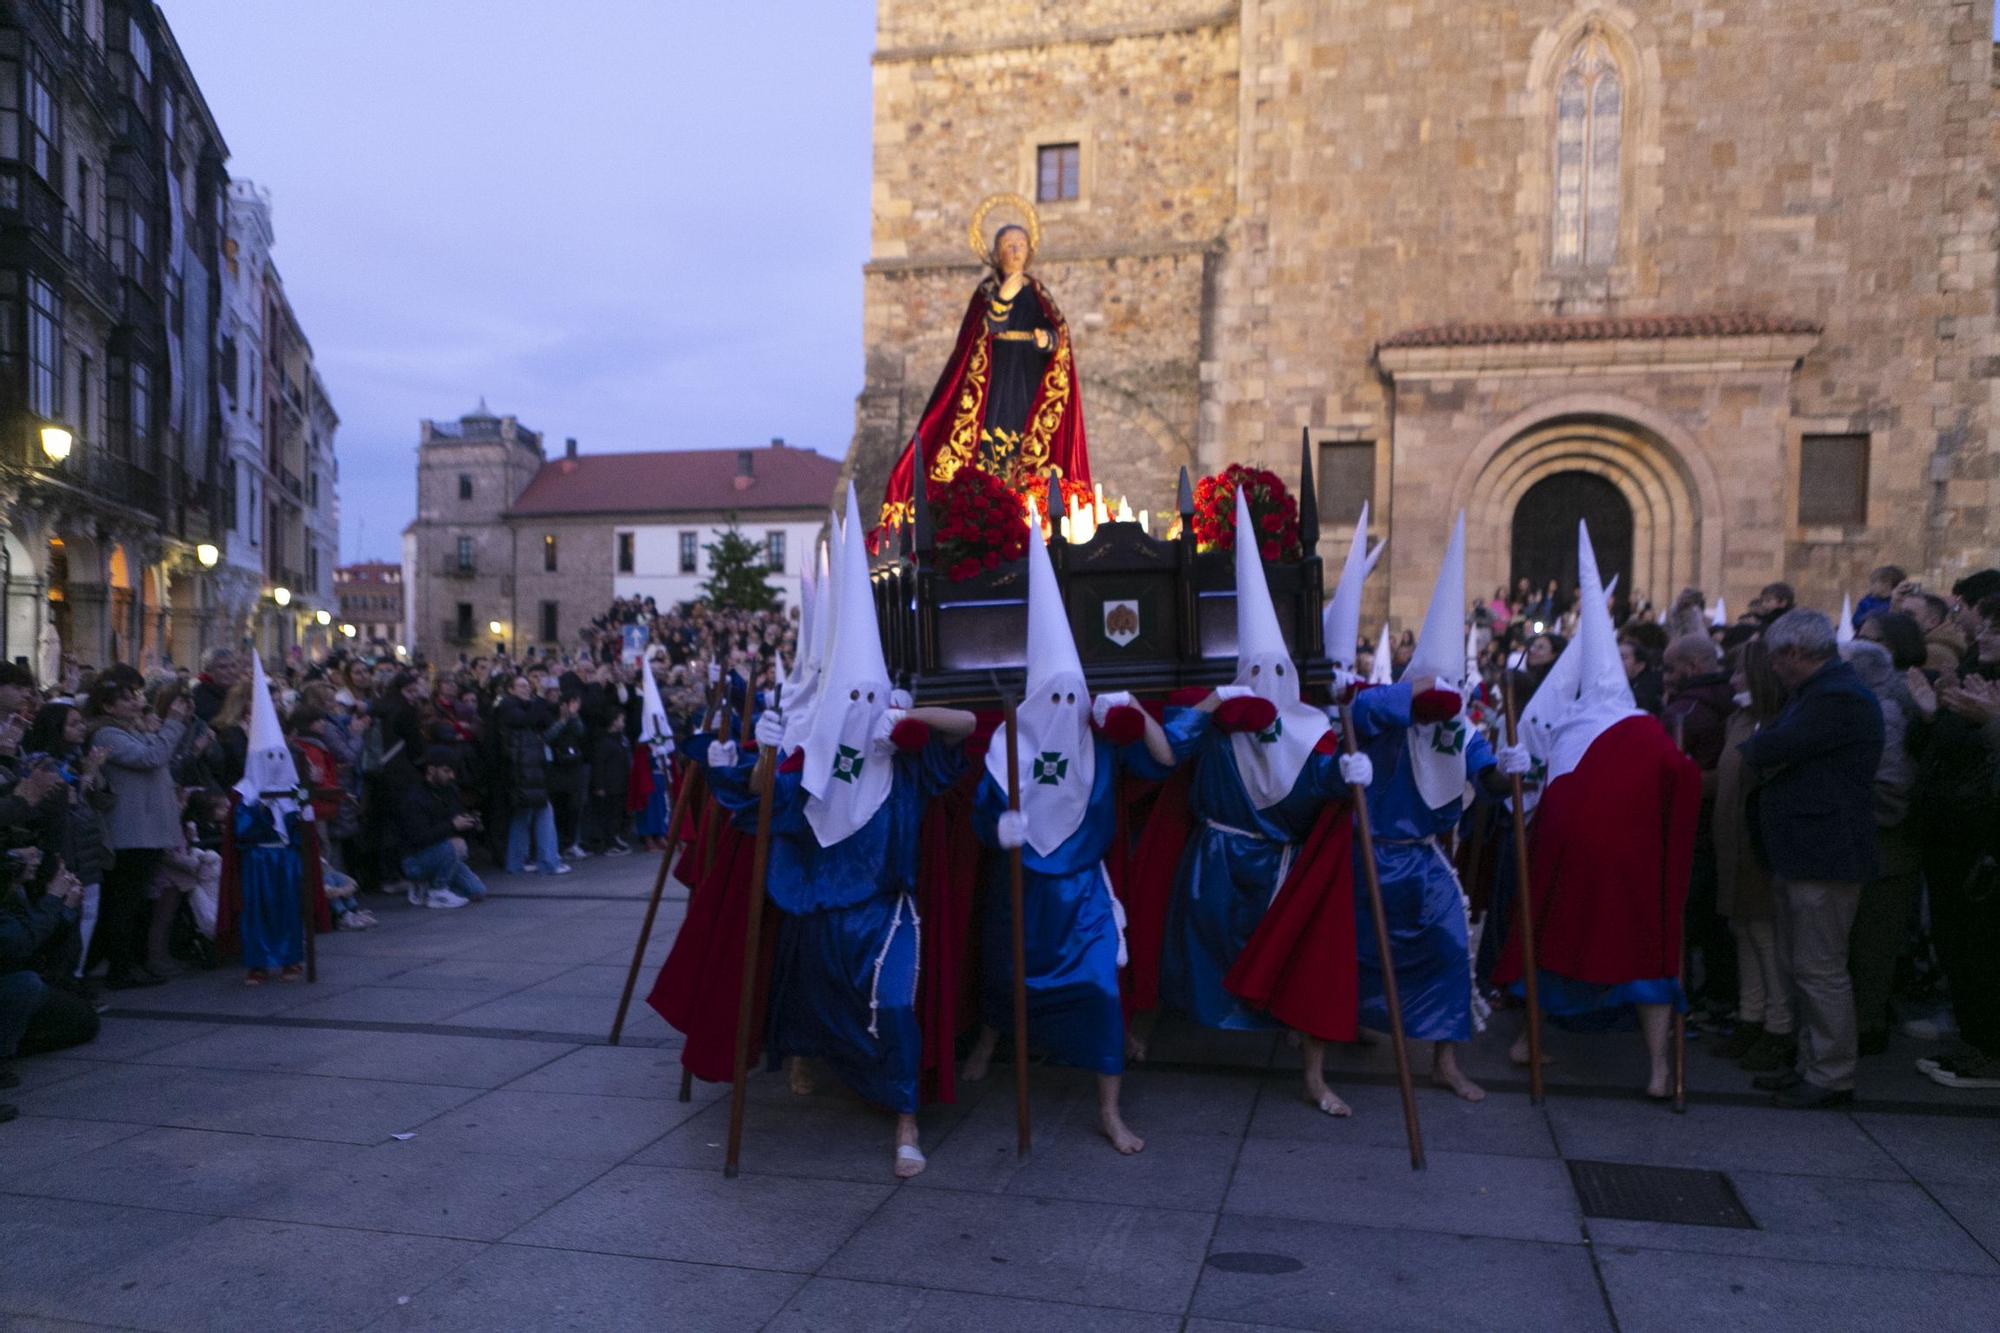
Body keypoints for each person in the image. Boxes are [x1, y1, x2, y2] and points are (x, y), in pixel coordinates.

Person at [707, 486, 975, 1178]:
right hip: (821, 916)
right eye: (848, 701)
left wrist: (912, 718)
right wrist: (762, 752)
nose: (858, 710)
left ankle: (907, 1117)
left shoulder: (905, 766)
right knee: (816, 1004)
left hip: (887, 915)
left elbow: (970, 729)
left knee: (895, 1007)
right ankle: (815, 1061)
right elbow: (764, 804)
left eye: (869, 697)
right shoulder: (816, 772)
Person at [961, 498, 1179, 1153]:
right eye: (1048, 697)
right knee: (1007, 977)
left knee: (1098, 990)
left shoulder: (1101, 736)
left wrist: (1136, 712)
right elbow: (981, 823)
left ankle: (1109, 1109)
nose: (1061, 708)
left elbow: (1165, 763)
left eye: (1070, 695)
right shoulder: (1008, 743)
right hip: (1023, 889)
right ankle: (991, 1038)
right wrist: (1006, 828)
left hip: (1083, 894)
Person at [1495, 522, 1701, 1099]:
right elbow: (1682, 784)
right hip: (1635, 867)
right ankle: (1660, 1071)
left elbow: (1548, 800)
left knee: (1550, 945)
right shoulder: (1650, 731)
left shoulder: (1572, 728)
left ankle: (1525, 1042)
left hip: (1571, 865)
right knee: (1646, 962)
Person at [1345, 514, 1523, 1101]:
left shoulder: (1462, 730)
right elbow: (1359, 716)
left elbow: (1487, 779)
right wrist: (1415, 693)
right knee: (1360, 949)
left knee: (1450, 949)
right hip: (1368, 856)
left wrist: (1512, 772)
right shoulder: (1383, 710)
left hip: (1424, 862)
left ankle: (1445, 1060)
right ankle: (1343, 1023)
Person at [1739, 609, 1884, 1108]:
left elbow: (1772, 746)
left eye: (1776, 659)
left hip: (1826, 854)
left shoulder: (1837, 697)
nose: (1772, 669)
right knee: (1801, 966)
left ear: (1795, 654)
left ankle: (1831, 1074)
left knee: (1820, 969)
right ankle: (1809, 1063)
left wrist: (1757, 743)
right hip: (1804, 851)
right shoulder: (1817, 695)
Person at [877, 215, 1091, 532]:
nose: (1016, 250)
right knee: (994, 434)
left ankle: (1028, 498)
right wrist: (1004, 298)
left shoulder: (1038, 292)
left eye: (1021, 244)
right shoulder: (987, 290)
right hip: (996, 376)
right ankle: (992, 494)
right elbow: (980, 332)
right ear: (996, 253)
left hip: (1030, 375)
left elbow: (1058, 330)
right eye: (1008, 245)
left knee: (1027, 434)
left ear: (1030, 251)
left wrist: (1050, 340)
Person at [1905, 591, 2000, 1089]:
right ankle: (1975, 1040)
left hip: (1983, 842)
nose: (1982, 635)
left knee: (1982, 948)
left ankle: (1990, 1050)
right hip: (1950, 835)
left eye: (1994, 630)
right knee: (1958, 944)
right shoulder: (1973, 679)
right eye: (1983, 627)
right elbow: (1939, 747)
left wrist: (1991, 725)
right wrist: (1929, 712)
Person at [1839, 639, 1918, 1056]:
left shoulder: (1883, 713)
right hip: (1872, 849)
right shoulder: (1871, 708)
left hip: (1884, 852)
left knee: (1872, 948)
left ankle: (1866, 1027)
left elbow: (1891, 794)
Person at [85, 678, 189, 990]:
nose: (135, 703)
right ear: (107, 706)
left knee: (140, 900)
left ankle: (136, 961)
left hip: (146, 831)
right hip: (130, 833)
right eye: (126, 699)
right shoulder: (106, 734)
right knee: (124, 902)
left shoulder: (132, 731)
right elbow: (151, 758)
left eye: (135, 697)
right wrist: (171, 725)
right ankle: (120, 966)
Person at [228, 657, 309, 985]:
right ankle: (258, 963)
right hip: (259, 859)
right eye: (268, 757)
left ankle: (290, 959)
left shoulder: (292, 789)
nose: (275, 761)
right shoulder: (246, 791)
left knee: (288, 910)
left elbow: (301, 828)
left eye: (280, 756)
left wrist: (298, 812)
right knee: (258, 912)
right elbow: (241, 830)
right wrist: (259, 811)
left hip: (285, 858)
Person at [396, 747, 489, 908]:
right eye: (447, 771)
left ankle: (428, 885)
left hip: (444, 853)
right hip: (415, 859)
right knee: (454, 846)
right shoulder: (415, 797)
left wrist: (469, 823)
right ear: (431, 770)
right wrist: (452, 826)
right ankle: (437, 891)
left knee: (477, 891)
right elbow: (418, 838)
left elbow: (455, 820)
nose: (451, 776)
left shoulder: (449, 791)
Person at [495, 674, 568, 877]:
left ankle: (516, 862)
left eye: (528, 686)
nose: (526, 689)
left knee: (524, 816)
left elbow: (544, 720)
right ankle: (548, 862)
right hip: (524, 771)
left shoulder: (527, 706)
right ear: (510, 690)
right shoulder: (508, 707)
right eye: (521, 686)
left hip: (529, 770)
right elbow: (528, 719)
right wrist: (541, 700)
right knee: (542, 814)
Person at [1854, 566, 1903, 631]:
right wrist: (1865, 618)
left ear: (1886, 584)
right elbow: (1855, 621)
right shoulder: (1866, 602)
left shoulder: (1897, 601)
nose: (1871, 586)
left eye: (1874, 582)